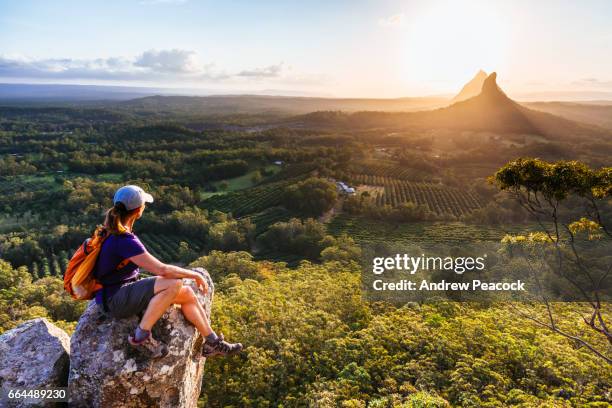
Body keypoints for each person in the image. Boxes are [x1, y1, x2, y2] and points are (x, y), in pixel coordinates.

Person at [93, 185, 243, 358]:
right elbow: (162, 270)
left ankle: (213, 341)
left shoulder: (112, 231)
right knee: (174, 284)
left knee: (186, 293)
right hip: (114, 300)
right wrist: (194, 274)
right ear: (139, 210)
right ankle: (140, 338)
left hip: (117, 292)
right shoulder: (124, 239)